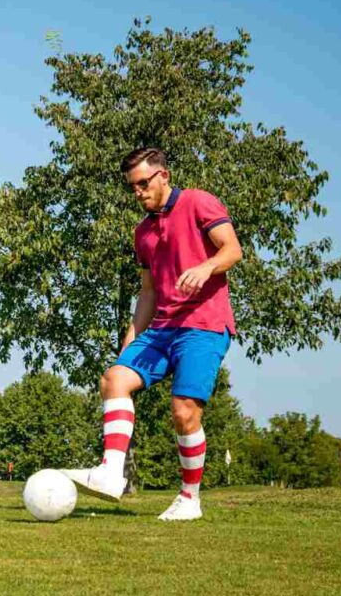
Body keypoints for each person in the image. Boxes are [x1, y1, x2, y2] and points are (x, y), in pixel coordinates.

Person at [63, 147, 243, 521]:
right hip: (161, 328)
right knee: (114, 379)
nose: (139, 192)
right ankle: (111, 472)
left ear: (164, 176)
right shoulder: (142, 232)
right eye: (133, 187)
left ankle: (189, 499)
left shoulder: (198, 202)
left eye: (144, 183)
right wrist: (131, 337)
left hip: (204, 325)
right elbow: (147, 291)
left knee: (184, 412)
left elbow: (232, 250)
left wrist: (206, 268)